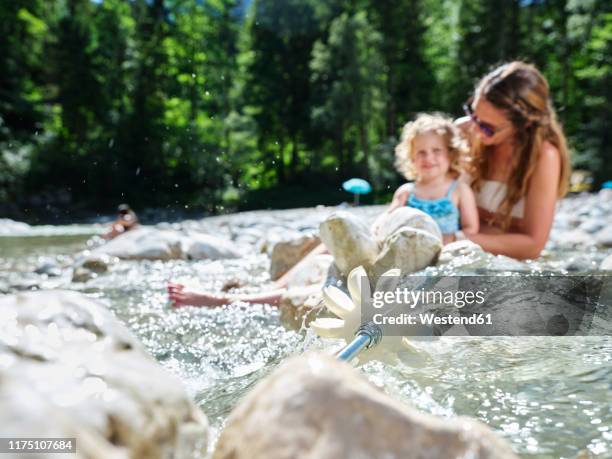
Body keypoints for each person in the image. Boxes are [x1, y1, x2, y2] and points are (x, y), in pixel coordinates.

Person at [456, 61, 570, 259]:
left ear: (523, 124)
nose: (474, 128)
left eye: (487, 127)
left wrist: (459, 239)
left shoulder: (543, 157)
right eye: (472, 113)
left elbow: (533, 246)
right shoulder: (462, 131)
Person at [383, 113, 479, 244]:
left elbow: (471, 229)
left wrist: (449, 239)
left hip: (446, 254)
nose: (428, 158)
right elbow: (386, 224)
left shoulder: (460, 191)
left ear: (451, 154)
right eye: (421, 152)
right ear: (411, 157)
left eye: (436, 150)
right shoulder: (405, 193)